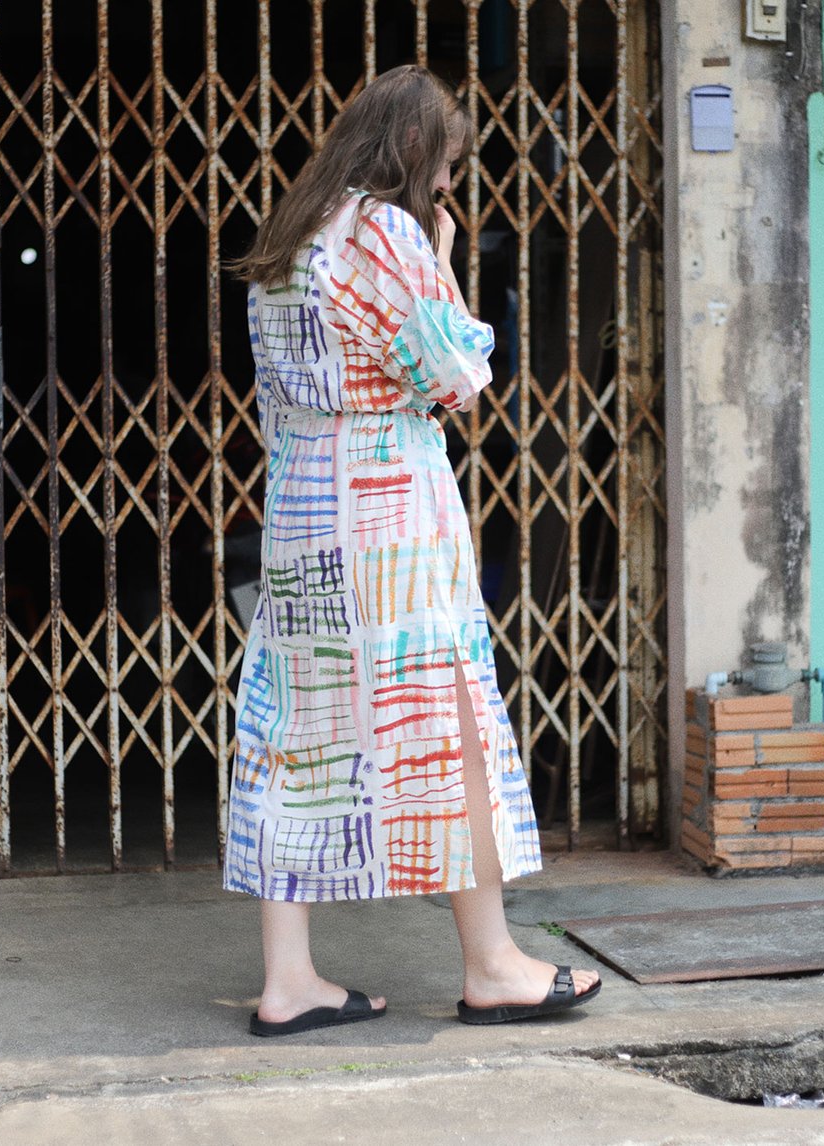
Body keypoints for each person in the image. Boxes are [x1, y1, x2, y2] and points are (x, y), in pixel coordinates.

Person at [225, 64, 600, 1037]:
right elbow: (458, 373)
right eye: (445, 166)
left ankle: (289, 981)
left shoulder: (288, 243)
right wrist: (440, 255)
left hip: (303, 515)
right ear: (411, 152)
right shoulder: (388, 232)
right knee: (454, 726)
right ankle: (494, 965)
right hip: (390, 524)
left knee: (294, 740)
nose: (448, 186)